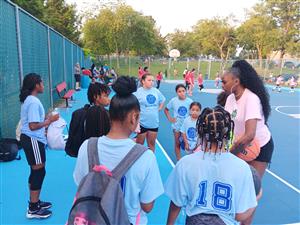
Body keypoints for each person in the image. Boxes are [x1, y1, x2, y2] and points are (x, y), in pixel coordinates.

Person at [74, 76, 164, 225]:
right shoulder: (145, 156)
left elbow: (80, 185)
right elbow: (147, 206)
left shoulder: (87, 147)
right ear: (134, 117)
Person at [165, 106, 258, 225]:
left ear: (199, 131)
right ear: (229, 133)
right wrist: (256, 198)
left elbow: (176, 204)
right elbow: (240, 215)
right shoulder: (242, 168)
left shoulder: (185, 163)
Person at [222, 60, 274, 224]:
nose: (221, 84)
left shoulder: (251, 99)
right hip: (239, 146)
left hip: (260, 146)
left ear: (236, 81)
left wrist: (228, 154)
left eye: (224, 81)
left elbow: (250, 135)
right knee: (235, 187)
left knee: (250, 190)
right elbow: (226, 125)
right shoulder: (230, 98)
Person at [19, 73, 59, 219]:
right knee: (39, 172)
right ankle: (33, 208)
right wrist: (49, 120)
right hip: (32, 139)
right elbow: (33, 125)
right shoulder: (33, 102)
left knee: (36, 170)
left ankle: (34, 202)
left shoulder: (30, 100)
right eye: (41, 83)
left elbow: (33, 121)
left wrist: (46, 119)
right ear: (36, 85)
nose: (43, 85)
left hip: (31, 139)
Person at [134, 73, 165, 151]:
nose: (152, 82)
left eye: (153, 80)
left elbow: (162, 100)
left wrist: (159, 108)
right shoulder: (137, 92)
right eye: (149, 80)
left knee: (151, 145)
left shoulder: (156, 91)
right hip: (142, 123)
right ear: (143, 81)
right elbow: (132, 105)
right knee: (139, 145)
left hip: (153, 123)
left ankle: (151, 161)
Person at [164, 84, 193, 161]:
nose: (182, 93)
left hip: (186, 126)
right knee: (177, 144)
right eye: (179, 91)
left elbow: (192, 113)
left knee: (190, 144)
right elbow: (166, 109)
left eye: (183, 91)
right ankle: (179, 160)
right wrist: (170, 118)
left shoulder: (190, 101)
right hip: (177, 126)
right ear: (176, 92)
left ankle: (190, 160)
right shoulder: (173, 101)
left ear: (186, 91)